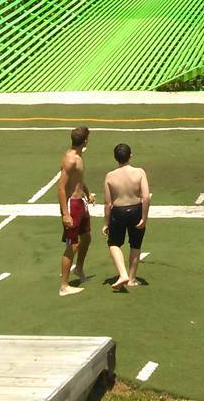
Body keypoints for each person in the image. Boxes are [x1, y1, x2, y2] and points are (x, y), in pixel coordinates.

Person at [102, 142, 151, 290]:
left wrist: (106, 223)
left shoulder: (110, 176)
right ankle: (131, 278)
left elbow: (107, 203)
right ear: (130, 156)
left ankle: (122, 273)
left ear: (115, 158)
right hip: (136, 210)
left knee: (114, 244)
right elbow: (146, 197)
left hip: (118, 211)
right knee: (135, 245)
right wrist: (144, 217)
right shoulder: (139, 172)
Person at [57, 126, 93, 295]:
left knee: (86, 237)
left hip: (81, 202)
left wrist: (87, 193)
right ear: (85, 140)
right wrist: (65, 214)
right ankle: (64, 286)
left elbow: (78, 179)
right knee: (73, 245)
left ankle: (78, 269)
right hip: (72, 205)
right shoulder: (70, 160)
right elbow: (61, 188)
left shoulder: (79, 156)